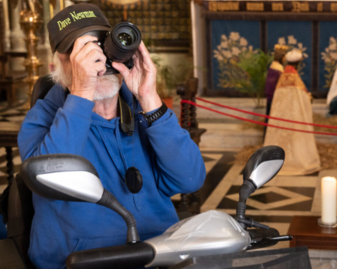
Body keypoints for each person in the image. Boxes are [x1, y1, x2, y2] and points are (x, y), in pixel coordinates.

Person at [17, 4, 206, 268]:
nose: (99, 62)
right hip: (84, 261)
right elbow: (52, 182)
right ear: (59, 64)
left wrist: (150, 99)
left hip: (158, 254)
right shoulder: (40, 120)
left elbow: (190, 179)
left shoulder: (144, 112)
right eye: (83, 52)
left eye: (103, 47)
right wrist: (82, 91)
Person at [264, 49, 320, 175]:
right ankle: (297, 161)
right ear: (299, 63)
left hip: (281, 117)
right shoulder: (295, 77)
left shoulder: (282, 76)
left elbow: (277, 98)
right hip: (294, 117)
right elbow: (303, 96)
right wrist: (309, 97)